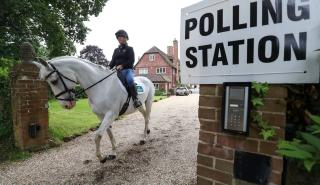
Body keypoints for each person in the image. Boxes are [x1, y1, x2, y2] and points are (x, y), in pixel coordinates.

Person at [109, 29, 142, 108]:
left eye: (121, 37)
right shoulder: (116, 50)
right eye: (118, 38)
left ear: (126, 38)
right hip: (117, 71)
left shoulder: (130, 49)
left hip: (128, 70)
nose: (119, 39)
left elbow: (131, 61)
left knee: (130, 80)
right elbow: (113, 61)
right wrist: (107, 68)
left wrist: (122, 66)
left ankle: (135, 99)